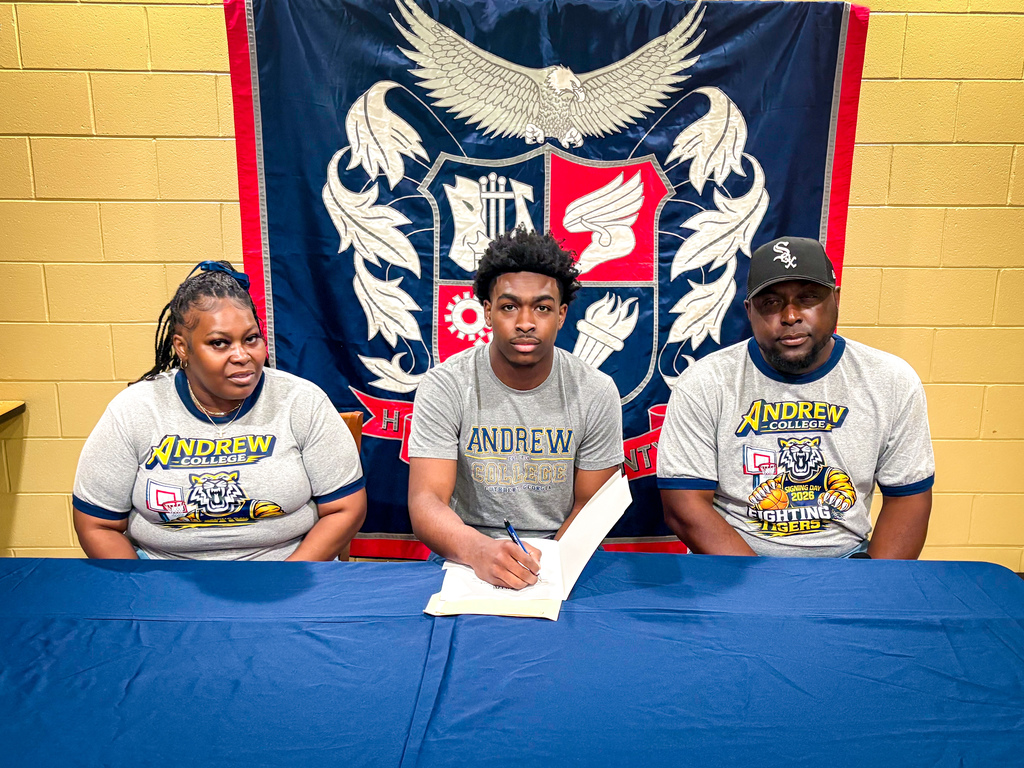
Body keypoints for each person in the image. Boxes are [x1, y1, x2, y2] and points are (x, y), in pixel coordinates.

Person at [658, 237, 934, 558]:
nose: (790, 316)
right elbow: (684, 505)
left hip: (846, 562)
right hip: (735, 566)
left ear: (836, 300)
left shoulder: (890, 379)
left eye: (808, 298)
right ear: (749, 311)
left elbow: (908, 498)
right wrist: (763, 585)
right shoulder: (705, 382)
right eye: (771, 303)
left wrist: (871, 586)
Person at [73, 261, 366, 560]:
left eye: (251, 338)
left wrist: (285, 579)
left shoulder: (302, 402)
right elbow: (97, 525)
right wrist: (147, 592)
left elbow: (345, 508)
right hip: (165, 578)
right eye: (219, 343)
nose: (242, 356)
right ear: (182, 347)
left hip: (284, 576)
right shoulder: (134, 409)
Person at [407, 229, 624, 588]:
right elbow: (426, 499)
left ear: (561, 314)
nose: (525, 322)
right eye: (510, 307)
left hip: (562, 553)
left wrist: (549, 565)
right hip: (464, 550)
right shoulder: (446, 384)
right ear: (488, 313)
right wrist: (478, 551)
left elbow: (590, 506)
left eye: (542, 307)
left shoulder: (595, 391)